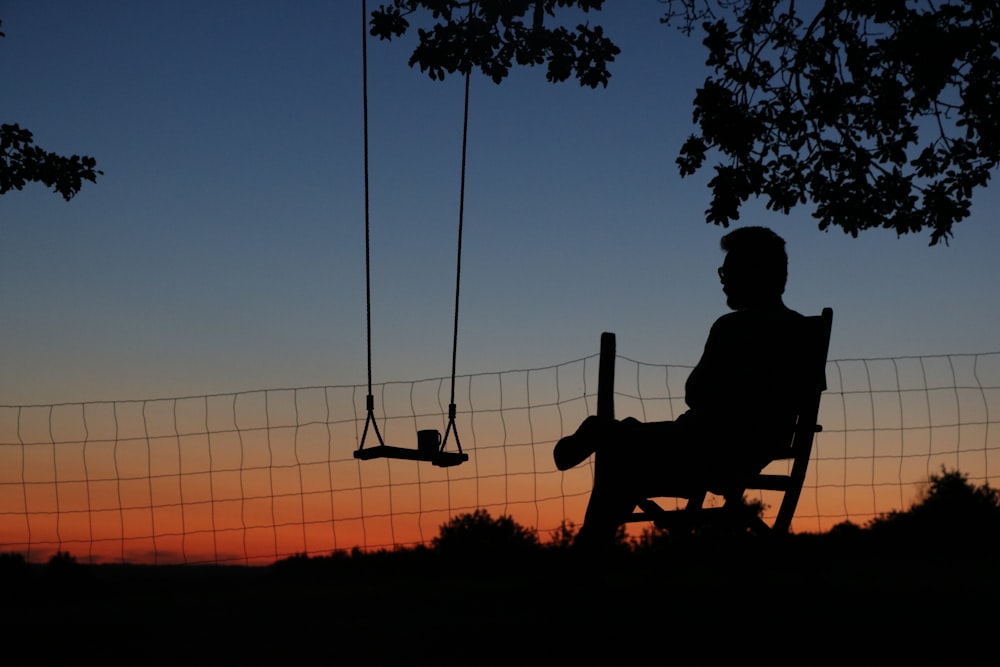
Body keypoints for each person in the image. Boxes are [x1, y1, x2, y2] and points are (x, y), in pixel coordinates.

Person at [554, 226, 810, 550]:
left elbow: (695, 392)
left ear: (754, 273)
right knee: (623, 450)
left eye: (727, 270)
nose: (722, 278)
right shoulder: (802, 331)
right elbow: (799, 399)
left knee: (618, 458)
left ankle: (586, 554)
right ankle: (603, 437)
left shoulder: (732, 328)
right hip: (751, 451)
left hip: (709, 451)